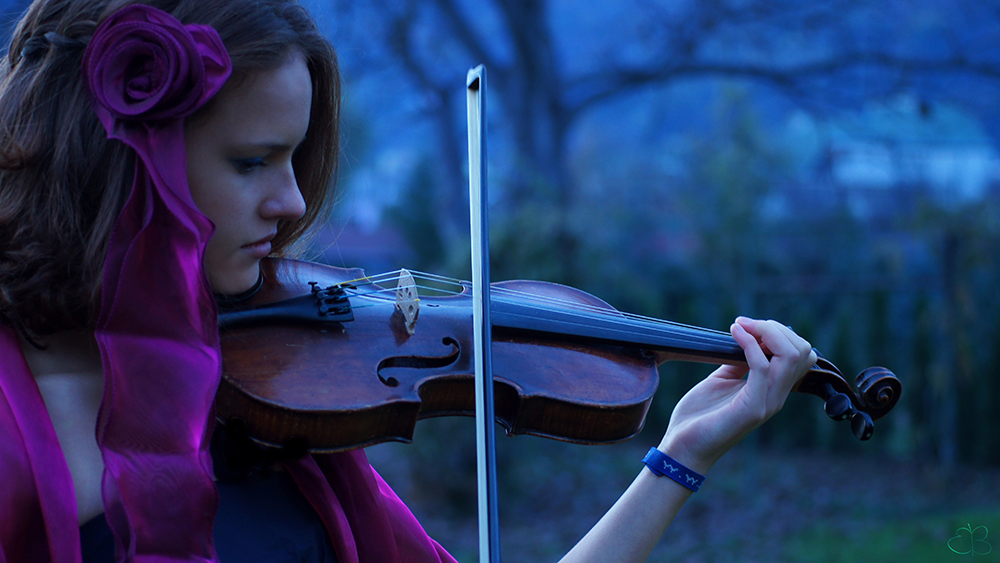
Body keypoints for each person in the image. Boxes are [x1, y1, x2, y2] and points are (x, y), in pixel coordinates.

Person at [0, 0, 818, 562]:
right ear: (120, 162)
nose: (289, 203)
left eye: (294, 158)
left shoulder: (273, 409)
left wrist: (680, 454)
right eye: (250, 161)